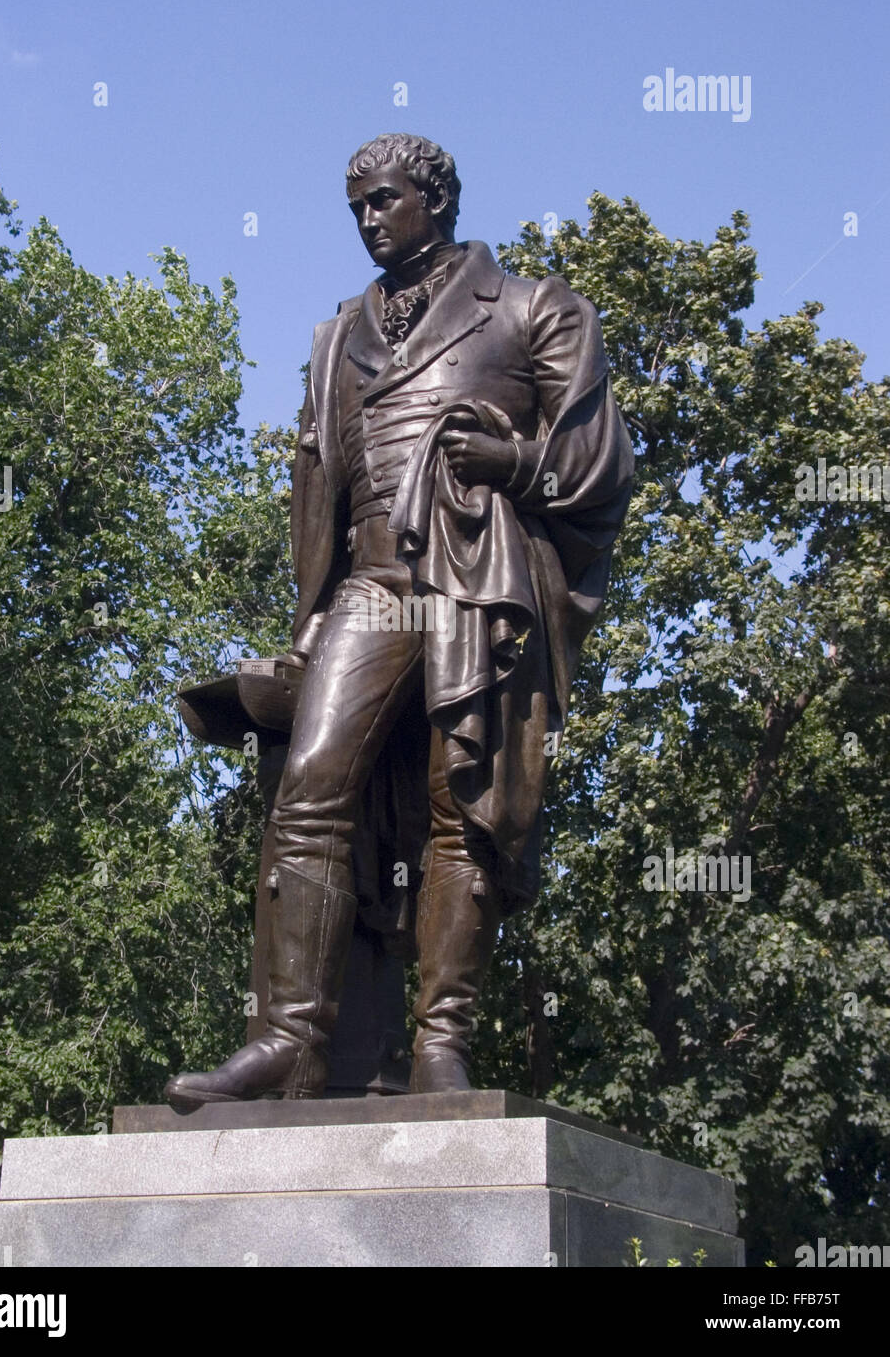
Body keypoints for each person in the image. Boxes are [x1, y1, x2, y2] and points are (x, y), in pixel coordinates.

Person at [165, 133, 633, 1104]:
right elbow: (319, 490)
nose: (371, 219)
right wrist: (308, 613)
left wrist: (518, 467)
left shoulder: (539, 308)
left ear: (436, 198)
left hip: (476, 573)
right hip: (372, 583)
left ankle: (442, 1047)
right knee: (312, 782)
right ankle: (290, 1038)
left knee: (460, 809)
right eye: (358, 208)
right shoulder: (339, 333)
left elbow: (598, 463)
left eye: (385, 200)